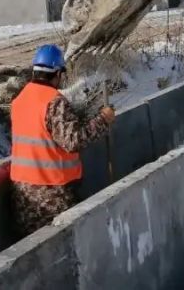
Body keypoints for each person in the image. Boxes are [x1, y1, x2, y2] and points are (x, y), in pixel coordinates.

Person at [10, 44, 116, 235]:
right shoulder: (53, 102)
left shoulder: (19, 100)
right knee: (62, 246)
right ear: (57, 73)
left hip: (23, 194)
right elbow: (73, 141)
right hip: (51, 194)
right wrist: (102, 120)